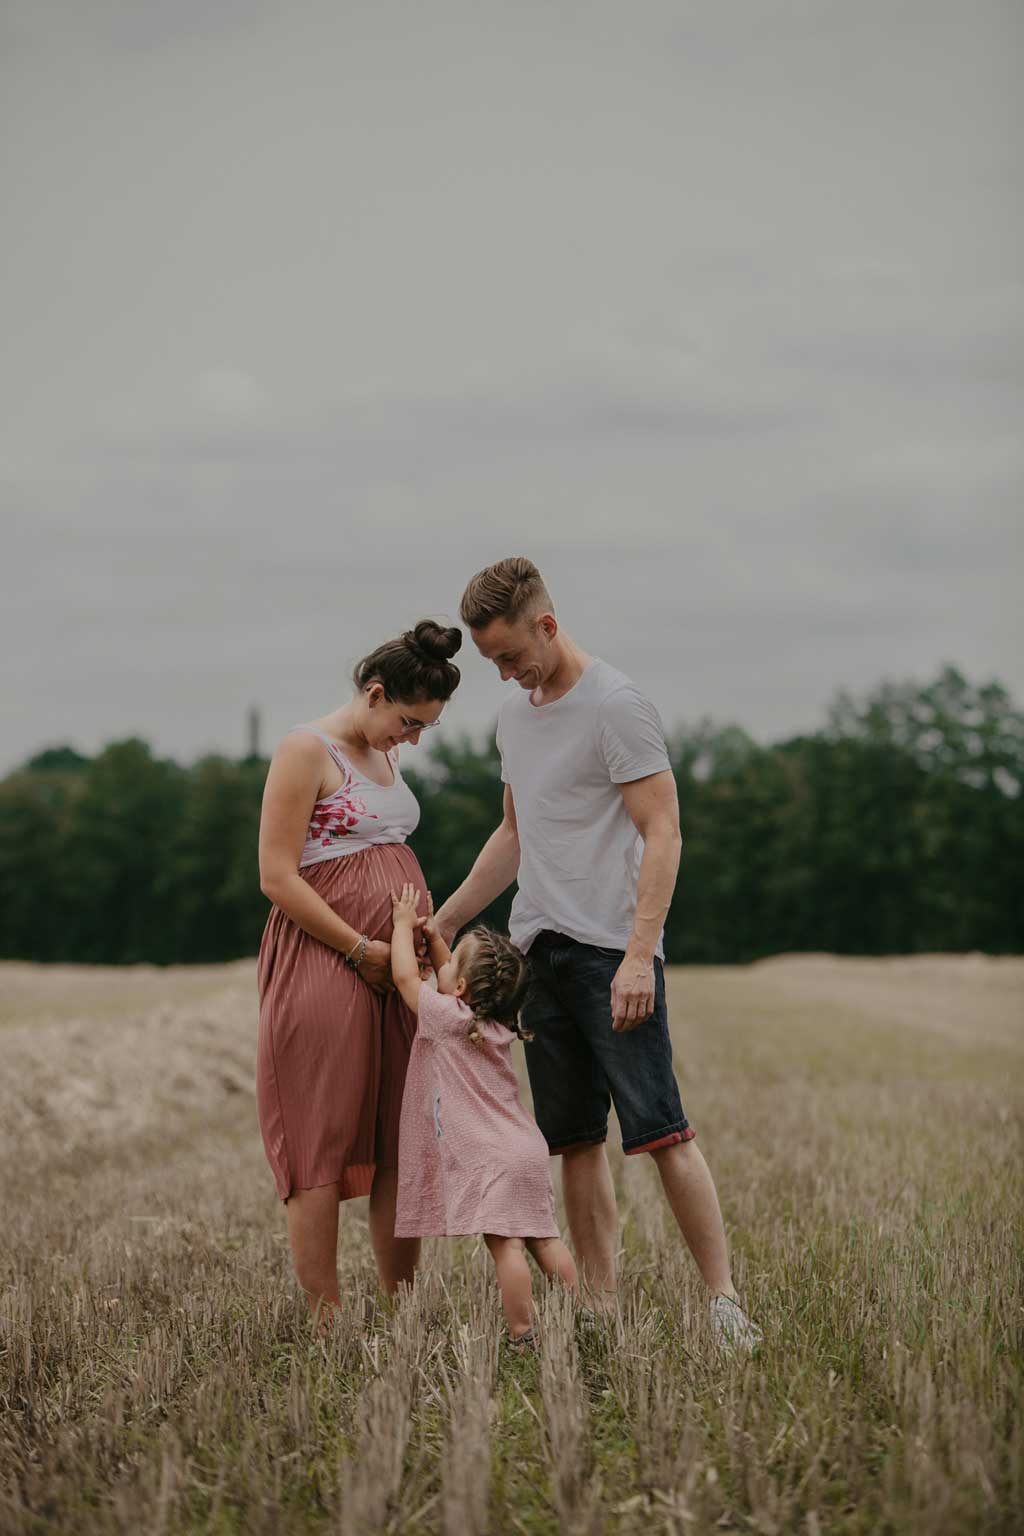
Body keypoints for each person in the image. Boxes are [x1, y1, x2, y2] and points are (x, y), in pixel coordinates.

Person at [433, 558, 760, 1351]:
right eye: (493, 664)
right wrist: (443, 922)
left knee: (661, 1130)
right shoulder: (515, 721)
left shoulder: (617, 706)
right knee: (573, 1139)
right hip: (536, 950)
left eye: (512, 656)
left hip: (612, 953)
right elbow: (513, 837)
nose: (507, 676)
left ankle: (724, 1304)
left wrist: (639, 955)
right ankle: (599, 1309)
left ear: (547, 624)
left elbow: (663, 832)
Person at [256, 620, 461, 1322]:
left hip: (396, 970)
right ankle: (325, 1318)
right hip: (326, 959)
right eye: (408, 722)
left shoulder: (386, 756)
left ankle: (399, 1305)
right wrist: (359, 949)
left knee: (403, 1130)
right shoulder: (304, 749)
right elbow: (278, 876)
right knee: (324, 1130)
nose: (413, 740)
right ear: (375, 694)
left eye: (423, 727)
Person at [389, 883, 578, 1348]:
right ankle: (584, 1314)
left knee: (506, 1245)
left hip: (492, 1155)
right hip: (524, 1148)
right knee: (543, 1239)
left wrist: (399, 927)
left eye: (452, 962)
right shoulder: (491, 1023)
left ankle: (523, 1332)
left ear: (462, 987)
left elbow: (405, 980)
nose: (443, 961)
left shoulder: (446, 1019)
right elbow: (448, 972)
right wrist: (434, 939)